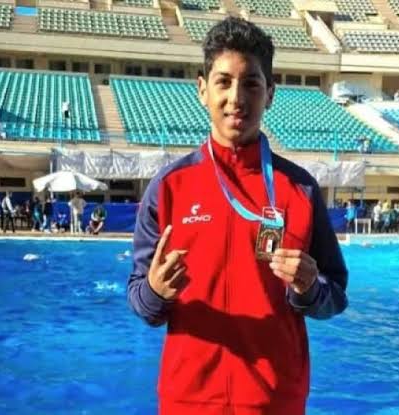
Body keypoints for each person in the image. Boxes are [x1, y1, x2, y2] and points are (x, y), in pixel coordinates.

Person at [127, 17, 348, 415]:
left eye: (251, 84)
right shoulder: (169, 187)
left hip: (275, 399)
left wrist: (309, 289)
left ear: (270, 94)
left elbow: (335, 297)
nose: (236, 97)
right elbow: (141, 301)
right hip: (189, 400)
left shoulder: (299, 189)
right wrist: (156, 292)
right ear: (202, 90)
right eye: (223, 82)